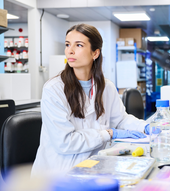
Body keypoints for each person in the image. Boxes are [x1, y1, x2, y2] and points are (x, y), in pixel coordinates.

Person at [31, 24, 153, 176]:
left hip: (95, 166)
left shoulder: (106, 87)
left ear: (95, 53)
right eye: (68, 44)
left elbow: (121, 120)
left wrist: (145, 127)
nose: (70, 50)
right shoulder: (54, 89)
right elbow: (65, 142)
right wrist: (107, 134)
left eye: (79, 45)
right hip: (60, 173)